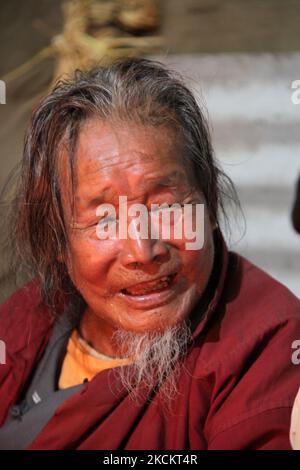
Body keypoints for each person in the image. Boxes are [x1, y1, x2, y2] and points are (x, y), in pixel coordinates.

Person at [0, 58, 299, 450]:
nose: (142, 251)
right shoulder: (32, 316)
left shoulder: (267, 348)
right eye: (104, 221)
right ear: (58, 243)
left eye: (166, 207)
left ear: (209, 204)